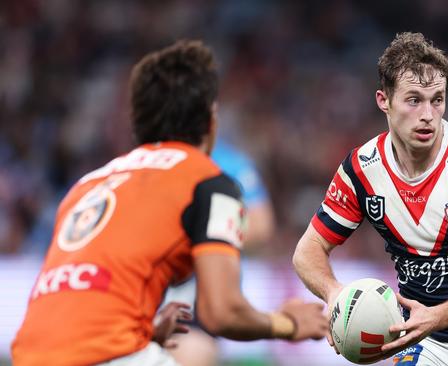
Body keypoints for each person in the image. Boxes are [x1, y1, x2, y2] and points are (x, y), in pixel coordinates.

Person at [11, 40, 328, 366]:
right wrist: (288, 324)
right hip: (109, 353)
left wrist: (144, 331)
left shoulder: (87, 186)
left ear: (137, 124)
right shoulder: (208, 181)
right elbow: (221, 313)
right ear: (211, 121)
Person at [292, 32, 448, 366]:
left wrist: (436, 316)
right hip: (429, 345)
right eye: (414, 100)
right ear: (384, 100)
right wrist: (335, 296)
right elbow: (307, 252)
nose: (428, 114)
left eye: (437, 100)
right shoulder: (362, 169)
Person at [163, 139, 276, 366]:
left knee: (194, 351)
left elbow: (260, 225)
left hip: (197, 294)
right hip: (148, 293)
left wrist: (203, 235)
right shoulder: (144, 164)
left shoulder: (227, 163)